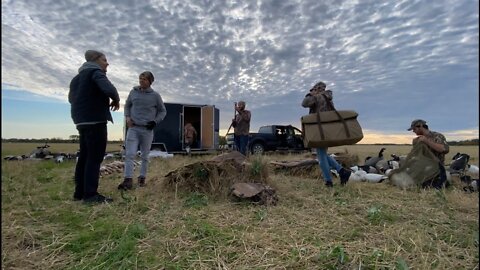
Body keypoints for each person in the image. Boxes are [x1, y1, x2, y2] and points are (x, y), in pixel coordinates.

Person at [69, 49, 120, 203]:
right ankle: (91, 195)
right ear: (96, 60)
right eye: (104, 60)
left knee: (84, 157)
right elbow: (110, 89)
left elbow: (71, 99)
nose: (107, 63)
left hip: (80, 121)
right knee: (94, 158)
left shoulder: (76, 78)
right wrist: (116, 100)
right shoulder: (96, 73)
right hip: (96, 121)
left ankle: (79, 193)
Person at [118, 71, 167, 190]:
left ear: (150, 81)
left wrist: (155, 121)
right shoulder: (133, 92)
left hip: (147, 130)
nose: (141, 81)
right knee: (130, 154)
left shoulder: (155, 96)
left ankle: (142, 179)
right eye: (140, 79)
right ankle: (128, 180)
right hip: (134, 128)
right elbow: (127, 105)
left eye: (144, 79)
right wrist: (128, 117)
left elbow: (162, 111)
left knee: (145, 156)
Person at [301, 81, 351, 187]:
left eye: (314, 88)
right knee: (322, 154)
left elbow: (304, 103)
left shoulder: (318, 97)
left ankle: (329, 181)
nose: (313, 90)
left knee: (321, 156)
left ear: (318, 89)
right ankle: (342, 171)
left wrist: (311, 94)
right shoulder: (328, 97)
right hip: (327, 130)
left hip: (320, 130)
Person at [407, 119, 449, 188]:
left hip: (436, 168)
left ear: (420, 126)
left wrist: (426, 141)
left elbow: (444, 149)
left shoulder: (437, 136)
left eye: (414, 129)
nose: (413, 131)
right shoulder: (417, 140)